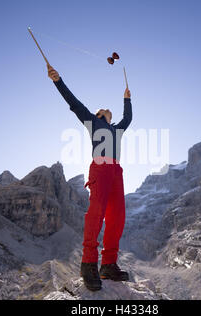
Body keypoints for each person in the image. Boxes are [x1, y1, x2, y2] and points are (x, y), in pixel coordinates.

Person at [48, 65, 132, 291]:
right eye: (102, 109)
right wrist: (58, 81)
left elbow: (128, 118)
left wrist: (127, 100)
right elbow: (74, 103)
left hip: (116, 172)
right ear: (97, 115)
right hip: (100, 169)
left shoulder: (117, 129)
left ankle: (108, 265)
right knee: (96, 214)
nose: (106, 108)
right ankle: (88, 264)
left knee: (117, 217)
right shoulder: (93, 122)